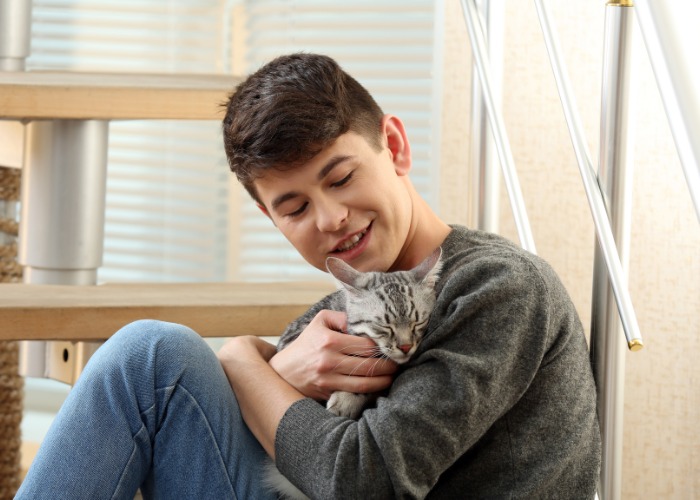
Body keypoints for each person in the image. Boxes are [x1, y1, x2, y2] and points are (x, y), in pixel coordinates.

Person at [18, 53, 601, 499]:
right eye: (294, 209)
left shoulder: (501, 288)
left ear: (394, 147)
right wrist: (269, 367)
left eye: (342, 177)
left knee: (150, 356)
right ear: (269, 217)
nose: (330, 219)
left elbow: (361, 483)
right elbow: (279, 404)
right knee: (153, 355)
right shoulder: (351, 296)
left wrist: (244, 359)